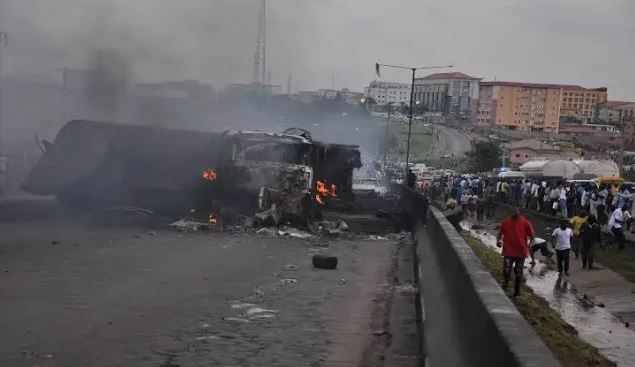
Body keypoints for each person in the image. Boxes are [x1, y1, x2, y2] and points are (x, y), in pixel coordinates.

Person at [496, 208, 535, 297]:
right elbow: (500, 234)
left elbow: (532, 237)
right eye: (513, 213)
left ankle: (517, 292)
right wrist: (498, 241)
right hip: (508, 251)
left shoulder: (526, 223)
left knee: (518, 272)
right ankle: (506, 282)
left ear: (519, 213)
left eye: (516, 213)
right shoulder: (505, 223)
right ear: (510, 213)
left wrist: (530, 244)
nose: (515, 215)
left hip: (520, 252)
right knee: (506, 270)